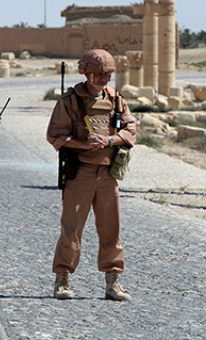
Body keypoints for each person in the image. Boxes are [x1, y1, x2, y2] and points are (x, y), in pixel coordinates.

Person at [46, 49, 136, 302]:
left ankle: (113, 281)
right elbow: (54, 135)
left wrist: (109, 139)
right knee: (71, 229)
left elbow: (130, 131)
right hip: (80, 173)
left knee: (111, 230)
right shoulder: (70, 101)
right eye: (97, 73)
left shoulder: (117, 99)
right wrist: (83, 144)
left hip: (108, 173)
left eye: (107, 74)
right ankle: (62, 279)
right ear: (85, 72)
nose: (102, 78)